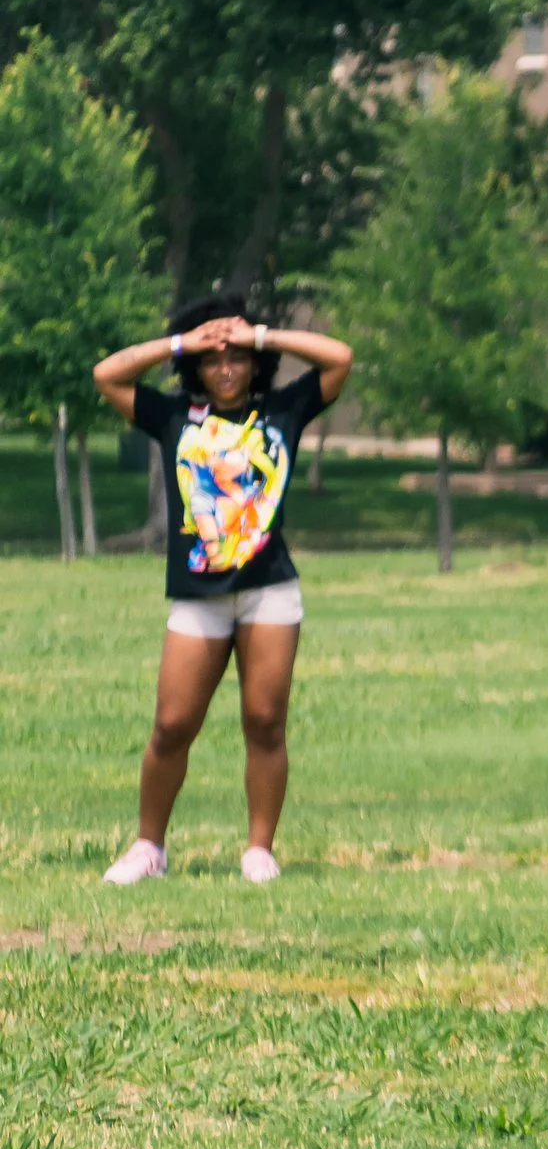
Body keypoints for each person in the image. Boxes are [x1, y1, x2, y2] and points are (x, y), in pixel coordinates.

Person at [90, 294, 354, 886]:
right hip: (198, 598)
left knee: (265, 721)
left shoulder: (283, 410)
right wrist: (184, 341)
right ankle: (148, 849)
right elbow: (107, 375)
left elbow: (339, 357)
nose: (226, 368)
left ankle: (259, 851)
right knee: (172, 725)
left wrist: (259, 333)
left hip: (269, 592)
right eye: (213, 360)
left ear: (255, 362)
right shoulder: (173, 416)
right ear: (197, 368)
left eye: (236, 357)